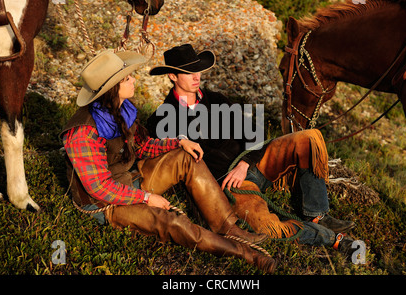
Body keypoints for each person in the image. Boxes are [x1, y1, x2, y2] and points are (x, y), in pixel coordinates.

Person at [60, 49, 276, 273]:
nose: (133, 79)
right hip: (104, 203)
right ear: (112, 88)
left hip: (131, 179)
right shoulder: (83, 132)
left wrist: (179, 142)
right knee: (171, 222)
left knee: (187, 157)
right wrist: (147, 197)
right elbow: (99, 187)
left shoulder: (122, 110)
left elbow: (144, 145)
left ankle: (228, 226)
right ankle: (243, 253)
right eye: (126, 78)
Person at [147, 44, 358, 255]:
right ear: (172, 76)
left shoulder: (217, 100)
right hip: (231, 183)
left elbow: (253, 134)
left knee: (309, 138)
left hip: (254, 162)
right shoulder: (163, 118)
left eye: (198, 69)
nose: (197, 76)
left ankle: (317, 213)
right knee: (266, 227)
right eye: (188, 72)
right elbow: (159, 150)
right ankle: (331, 238)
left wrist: (245, 162)